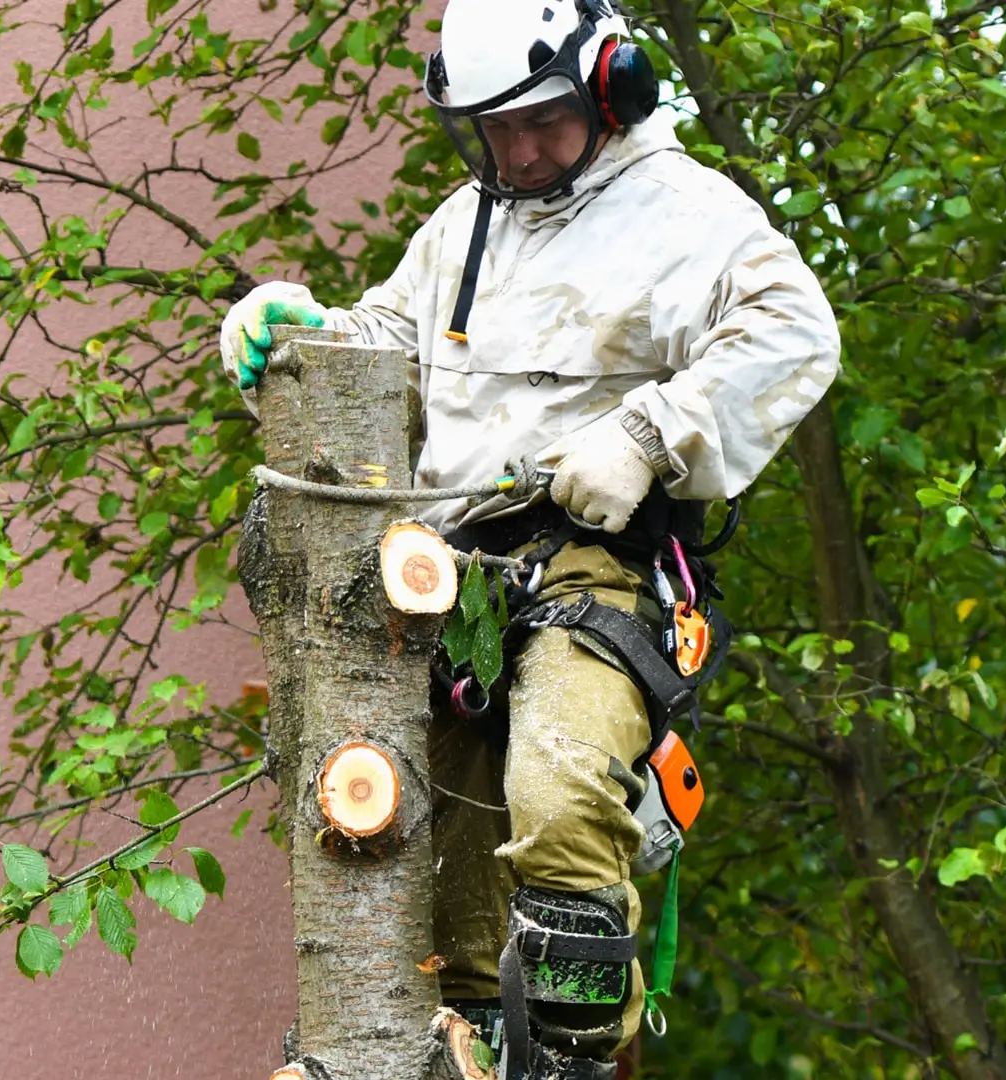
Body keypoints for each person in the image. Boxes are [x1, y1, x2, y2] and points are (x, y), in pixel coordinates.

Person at [219, 0, 841, 1076]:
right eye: (494, 129)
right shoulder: (466, 226)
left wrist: (650, 432)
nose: (519, 149)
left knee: (556, 806)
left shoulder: (689, 214)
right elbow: (385, 344)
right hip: (449, 574)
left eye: (541, 121)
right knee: (437, 846)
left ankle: (580, 1057)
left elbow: (796, 333)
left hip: (599, 561)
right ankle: (476, 1043)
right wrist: (296, 331)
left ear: (610, 86)